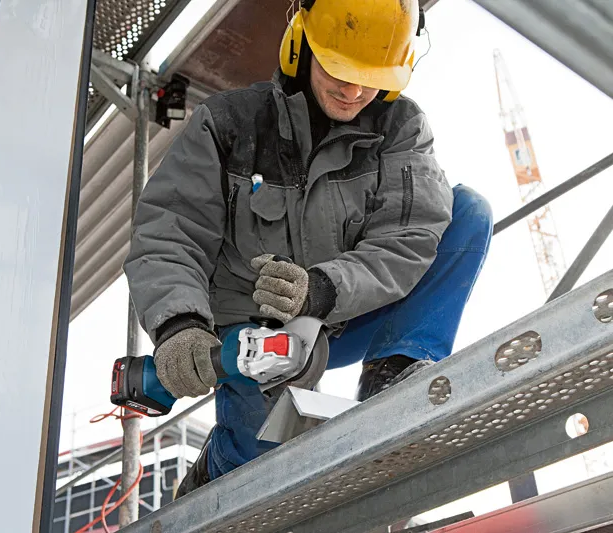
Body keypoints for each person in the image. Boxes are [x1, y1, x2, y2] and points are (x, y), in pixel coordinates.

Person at [123, 0, 493, 498]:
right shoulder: (228, 125)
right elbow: (170, 231)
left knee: (466, 211)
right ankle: (215, 468)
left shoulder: (400, 128)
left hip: (351, 314)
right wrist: (179, 325)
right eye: (339, 69)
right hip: (255, 337)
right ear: (301, 42)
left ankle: (396, 369)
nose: (354, 90)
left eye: (369, 75)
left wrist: (323, 289)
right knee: (262, 464)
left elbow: (409, 236)